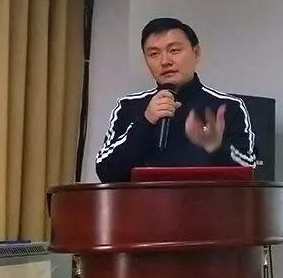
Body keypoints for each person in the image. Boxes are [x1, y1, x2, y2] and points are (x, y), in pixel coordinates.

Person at [94, 17, 256, 183]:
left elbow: (249, 172)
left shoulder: (229, 107)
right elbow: (106, 173)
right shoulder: (128, 106)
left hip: (206, 200)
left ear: (196, 53)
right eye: (154, 54)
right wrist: (145, 122)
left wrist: (216, 147)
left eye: (174, 51)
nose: (165, 61)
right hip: (144, 200)